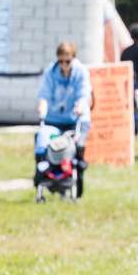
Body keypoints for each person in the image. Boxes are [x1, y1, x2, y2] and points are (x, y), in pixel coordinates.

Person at [35, 40, 92, 199]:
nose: (64, 65)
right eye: (61, 61)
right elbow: (44, 94)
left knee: (77, 147)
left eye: (67, 61)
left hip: (76, 119)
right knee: (45, 144)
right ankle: (45, 178)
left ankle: (77, 184)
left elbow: (84, 93)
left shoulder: (81, 72)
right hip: (54, 119)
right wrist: (42, 106)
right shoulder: (51, 72)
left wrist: (80, 106)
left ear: (73, 58)